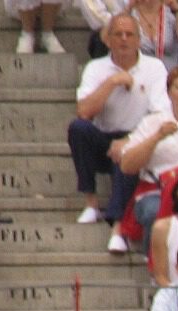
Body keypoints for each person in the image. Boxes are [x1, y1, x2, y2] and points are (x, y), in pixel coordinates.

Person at [71, 13, 170, 253]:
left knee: (127, 150)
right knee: (78, 128)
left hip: (136, 135)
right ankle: (91, 203)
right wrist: (113, 81)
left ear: (139, 39)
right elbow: (84, 111)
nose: (124, 39)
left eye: (129, 34)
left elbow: (161, 113)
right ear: (108, 40)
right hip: (103, 137)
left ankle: (117, 228)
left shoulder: (154, 67)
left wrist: (129, 140)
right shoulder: (96, 68)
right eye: (118, 34)